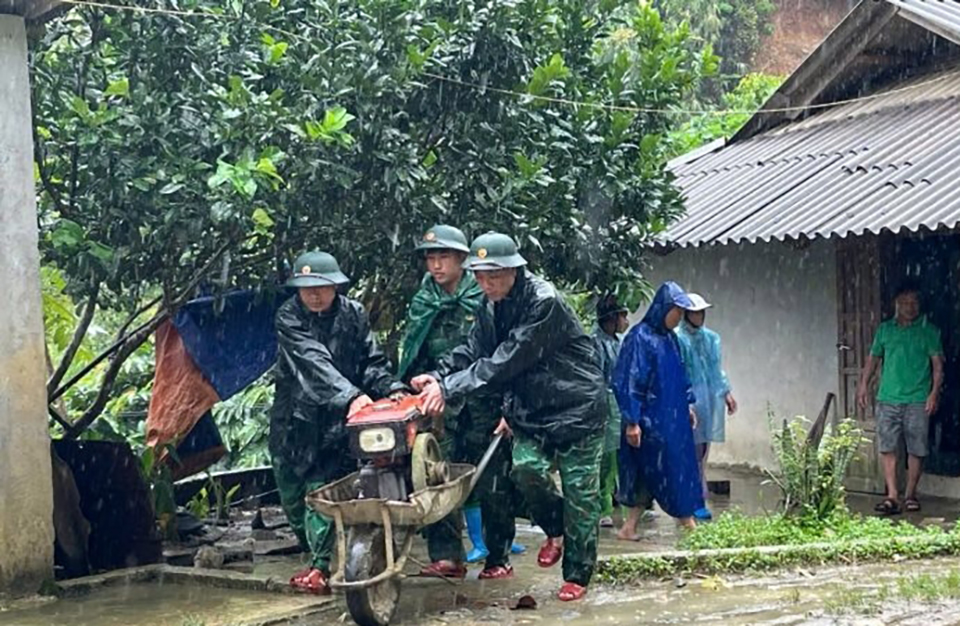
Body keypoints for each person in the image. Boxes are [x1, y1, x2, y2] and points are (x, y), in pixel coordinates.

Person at [412, 232, 606, 601]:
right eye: (481, 277)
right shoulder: (491, 306)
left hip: (576, 408)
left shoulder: (544, 303)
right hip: (531, 410)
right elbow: (474, 348)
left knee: (581, 494)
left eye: (495, 276)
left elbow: (506, 360)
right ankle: (556, 528)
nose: (487, 284)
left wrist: (449, 389)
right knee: (525, 471)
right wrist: (438, 377)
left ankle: (577, 575)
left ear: (515, 270)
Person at [270, 250, 407, 595]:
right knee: (291, 493)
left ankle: (320, 565)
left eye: (321, 287)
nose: (314, 294)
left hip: (340, 422)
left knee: (324, 490)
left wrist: (390, 388)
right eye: (306, 288)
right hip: (294, 420)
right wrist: (350, 395)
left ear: (336, 286)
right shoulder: (288, 316)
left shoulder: (353, 314)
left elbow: (371, 362)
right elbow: (312, 362)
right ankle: (314, 555)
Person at [397, 225, 521, 579]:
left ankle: (498, 558)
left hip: (485, 402)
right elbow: (414, 348)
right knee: (435, 475)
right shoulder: (424, 300)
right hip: (440, 404)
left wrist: (508, 405)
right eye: (430, 258)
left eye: (444, 257)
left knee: (493, 481)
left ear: (462, 259)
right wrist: (415, 386)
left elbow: (503, 354)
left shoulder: (486, 293)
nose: (436, 265)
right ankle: (447, 556)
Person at [613, 281, 702, 537]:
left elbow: (680, 375)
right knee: (664, 469)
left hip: (670, 418)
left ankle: (629, 527)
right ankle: (688, 524)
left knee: (660, 470)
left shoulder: (670, 339)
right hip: (649, 420)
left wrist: (687, 405)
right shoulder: (639, 338)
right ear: (664, 308)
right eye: (677, 310)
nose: (679, 317)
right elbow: (629, 380)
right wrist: (632, 420)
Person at [857, 284, 943, 515]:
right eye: (905, 302)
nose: (910, 307)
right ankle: (892, 495)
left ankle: (910, 494)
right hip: (888, 398)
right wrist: (863, 384)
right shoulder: (885, 330)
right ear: (896, 304)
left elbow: (937, 365)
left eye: (914, 302)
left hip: (918, 399)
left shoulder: (929, 331)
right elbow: (873, 359)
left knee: (917, 448)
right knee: (887, 447)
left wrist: (934, 393)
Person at [676, 293, 737, 521]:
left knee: (701, 450)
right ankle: (690, 498)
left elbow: (715, 369)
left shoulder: (710, 339)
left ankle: (697, 496)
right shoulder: (678, 339)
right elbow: (678, 371)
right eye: (695, 312)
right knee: (689, 450)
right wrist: (684, 400)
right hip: (688, 397)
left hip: (708, 397)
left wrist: (726, 392)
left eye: (701, 312)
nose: (700, 316)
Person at [592, 294, 630, 528]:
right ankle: (601, 507)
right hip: (605, 407)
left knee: (617, 459)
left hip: (619, 406)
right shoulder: (595, 343)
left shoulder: (617, 342)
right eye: (622, 316)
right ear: (611, 318)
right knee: (605, 461)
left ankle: (619, 504)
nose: (626, 321)